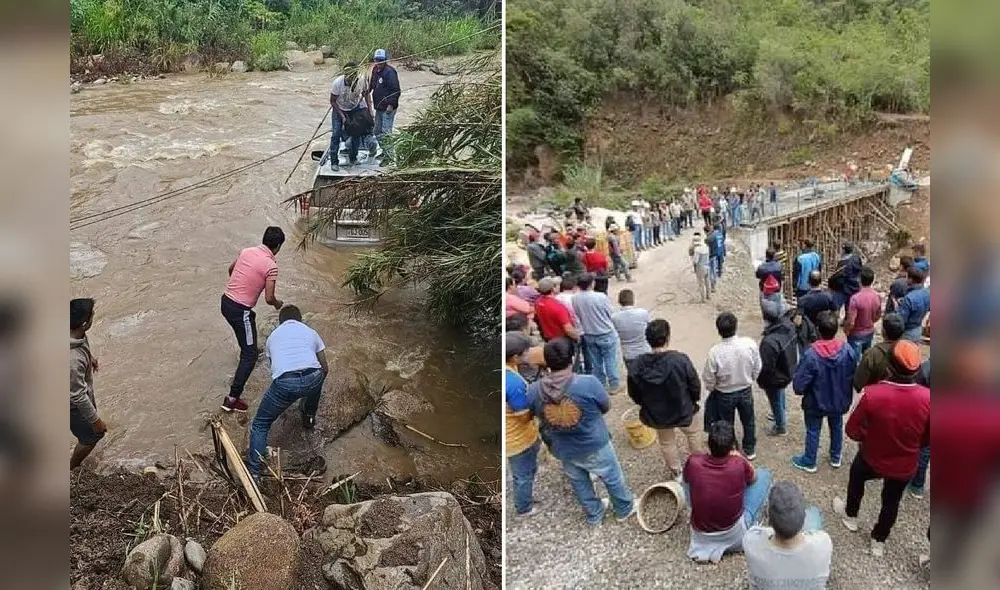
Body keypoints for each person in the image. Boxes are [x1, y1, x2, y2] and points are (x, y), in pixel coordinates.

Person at [834, 340, 930, 557]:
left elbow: (851, 430)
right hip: (905, 463)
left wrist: (868, 438)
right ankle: (879, 539)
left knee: (856, 477)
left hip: (872, 456)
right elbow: (928, 437)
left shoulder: (871, 394)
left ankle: (851, 516)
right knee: (892, 501)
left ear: (890, 367)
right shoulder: (929, 399)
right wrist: (913, 445)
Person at [527, 338, 636, 525]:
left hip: (563, 448)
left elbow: (535, 413)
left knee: (579, 482)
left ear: (547, 361)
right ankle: (623, 509)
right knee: (612, 477)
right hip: (594, 443)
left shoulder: (533, 389)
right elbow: (605, 406)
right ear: (572, 357)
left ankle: (594, 514)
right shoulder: (588, 383)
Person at [246, 305, 328, 479]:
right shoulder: (311, 332)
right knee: (317, 377)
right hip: (313, 376)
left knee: (260, 424)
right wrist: (312, 386)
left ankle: (254, 474)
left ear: (280, 321)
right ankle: (309, 417)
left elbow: (275, 367)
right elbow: (325, 368)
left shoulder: (272, 337)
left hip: (285, 382)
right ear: (300, 319)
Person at [684, 420, 773, 563]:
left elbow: (687, 484)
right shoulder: (738, 463)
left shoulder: (693, 462)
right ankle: (756, 522)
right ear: (732, 446)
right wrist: (739, 457)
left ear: (708, 445)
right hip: (734, 534)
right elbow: (754, 479)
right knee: (765, 474)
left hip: (700, 534)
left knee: (689, 481)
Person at [627, 319, 703, 478]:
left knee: (667, 442)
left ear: (648, 340)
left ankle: (677, 472)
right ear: (667, 337)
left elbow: (634, 393)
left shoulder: (637, 365)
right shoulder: (680, 360)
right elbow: (694, 384)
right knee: (693, 434)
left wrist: (646, 404)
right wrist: (694, 400)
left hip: (657, 413)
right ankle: (698, 465)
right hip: (683, 408)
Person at [221, 226, 285, 412]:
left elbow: (231, 270)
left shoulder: (246, 251)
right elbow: (269, 297)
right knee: (249, 356)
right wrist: (278, 304)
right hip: (241, 311)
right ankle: (232, 399)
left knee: (248, 340)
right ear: (278, 246)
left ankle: (249, 347)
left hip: (225, 302)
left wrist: (242, 284)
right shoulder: (271, 266)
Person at [791, 311, 858, 473]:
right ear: (836, 330)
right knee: (836, 425)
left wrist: (800, 389)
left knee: (813, 430)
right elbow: (853, 373)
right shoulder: (847, 349)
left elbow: (799, 385)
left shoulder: (811, 354)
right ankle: (836, 456)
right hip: (838, 400)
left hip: (815, 402)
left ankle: (810, 460)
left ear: (818, 330)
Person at [744, 481, 832, 589]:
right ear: (803, 520)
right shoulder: (824, 544)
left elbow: (759, 532)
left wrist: (779, 526)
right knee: (814, 512)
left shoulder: (751, 542)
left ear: (769, 518)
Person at [703, 313, 762, 459]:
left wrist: (713, 388)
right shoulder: (749, 344)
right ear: (736, 326)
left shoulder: (714, 352)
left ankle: (730, 448)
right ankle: (749, 449)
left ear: (718, 330)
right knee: (748, 420)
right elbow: (757, 365)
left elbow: (709, 377)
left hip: (724, 393)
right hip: (745, 389)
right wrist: (751, 378)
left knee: (726, 424)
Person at [506, 332, 541, 516]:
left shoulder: (508, 369)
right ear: (515, 356)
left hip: (513, 438)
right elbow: (522, 416)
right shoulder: (513, 382)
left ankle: (525, 499)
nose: (528, 355)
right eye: (525, 352)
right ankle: (524, 507)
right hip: (518, 440)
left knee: (526, 471)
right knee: (523, 474)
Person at [70, 298, 107, 470]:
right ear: (84, 323)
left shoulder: (75, 335)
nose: (93, 318)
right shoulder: (73, 359)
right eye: (92, 316)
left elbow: (81, 346)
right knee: (92, 436)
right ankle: (71, 467)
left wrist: (89, 358)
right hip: (71, 405)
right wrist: (96, 420)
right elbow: (77, 395)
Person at [572, 273, 622, 393]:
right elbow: (610, 313)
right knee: (610, 359)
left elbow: (577, 314)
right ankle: (614, 384)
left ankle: (601, 384)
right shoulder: (600, 297)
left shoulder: (575, 298)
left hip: (589, 333)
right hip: (605, 332)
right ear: (592, 283)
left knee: (596, 361)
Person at [757, 306, 798, 437]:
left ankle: (780, 426)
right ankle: (782, 413)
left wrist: (762, 382)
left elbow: (766, 367)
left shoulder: (769, 342)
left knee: (775, 400)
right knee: (780, 394)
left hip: (775, 377)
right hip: (787, 369)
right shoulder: (789, 327)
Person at [326, 62, 372, 169]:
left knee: (356, 133)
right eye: (347, 76)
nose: (349, 79)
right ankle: (334, 162)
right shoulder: (338, 83)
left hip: (354, 108)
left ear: (355, 75)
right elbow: (332, 101)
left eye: (351, 76)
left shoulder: (361, 81)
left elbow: (366, 95)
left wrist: (370, 111)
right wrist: (342, 116)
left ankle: (353, 158)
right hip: (339, 109)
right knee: (336, 134)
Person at [852, 313, 905, 393]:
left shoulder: (872, 354)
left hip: (875, 399)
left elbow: (858, 383)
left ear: (883, 332)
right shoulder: (908, 352)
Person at [843, 266, 882, 356]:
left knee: (854, 361)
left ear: (859, 279)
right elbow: (878, 315)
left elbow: (851, 322)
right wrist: (870, 321)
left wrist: (847, 330)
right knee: (866, 357)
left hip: (856, 334)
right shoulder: (877, 296)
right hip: (869, 331)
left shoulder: (855, 299)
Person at [368, 49, 400, 158]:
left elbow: (396, 90)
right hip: (379, 107)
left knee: (386, 133)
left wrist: (390, 105)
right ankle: (384, 151)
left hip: (388, 108)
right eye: (377, 60)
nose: (379, 62)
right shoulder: (375, 70)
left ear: (385, 60)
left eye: (381, 60)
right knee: (377, 131)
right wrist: (366, 90)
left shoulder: (390, 72)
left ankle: (389, 157)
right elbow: (372, 84)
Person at [534, 277, 580, 343]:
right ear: (553, 288)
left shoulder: (538, 302)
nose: (559, 286)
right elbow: (568, 329)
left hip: (548, 339)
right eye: (557, 285)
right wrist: (578, 338)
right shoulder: (558, 306)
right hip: (562, 341)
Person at [611, 289, 651, 364]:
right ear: (633, 300)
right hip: (644, 350)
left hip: (628, 354)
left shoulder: (614, 317)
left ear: (619, 301)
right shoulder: (643, 313)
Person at [896, 268, 930, 342]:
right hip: (918, 329)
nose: (905, 279)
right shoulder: (927, 293)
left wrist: (898, 308)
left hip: (907, 332)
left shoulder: (909, 298)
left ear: (911, 280)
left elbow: (901, 320)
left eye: (907, 277)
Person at [828, 243, 862, 311]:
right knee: (851, 308)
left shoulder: (843, 263)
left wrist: (831, 283)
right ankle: (848, 319)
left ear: (844, 250)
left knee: (837, 306)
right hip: (855, 286)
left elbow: (837, 275)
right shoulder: (857, 258)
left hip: (845, 288)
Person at [756, 249, 785, 324]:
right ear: (774, 256)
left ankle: (767, 330)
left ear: (766, 256)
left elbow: (757, 275)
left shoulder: (762, 267)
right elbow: (782, 276)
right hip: (776, 292)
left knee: (766, 315)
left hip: (765, 293)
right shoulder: (779, 266)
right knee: (778, 313)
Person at [689, 232, 713, 301]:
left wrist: (692, 259)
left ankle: (703, 299)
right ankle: (709, 296)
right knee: (707, 282)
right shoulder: (706, 247)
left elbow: (695, 261)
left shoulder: (697, 250)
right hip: (707, 265)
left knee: (701, 283)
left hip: (700, 267)